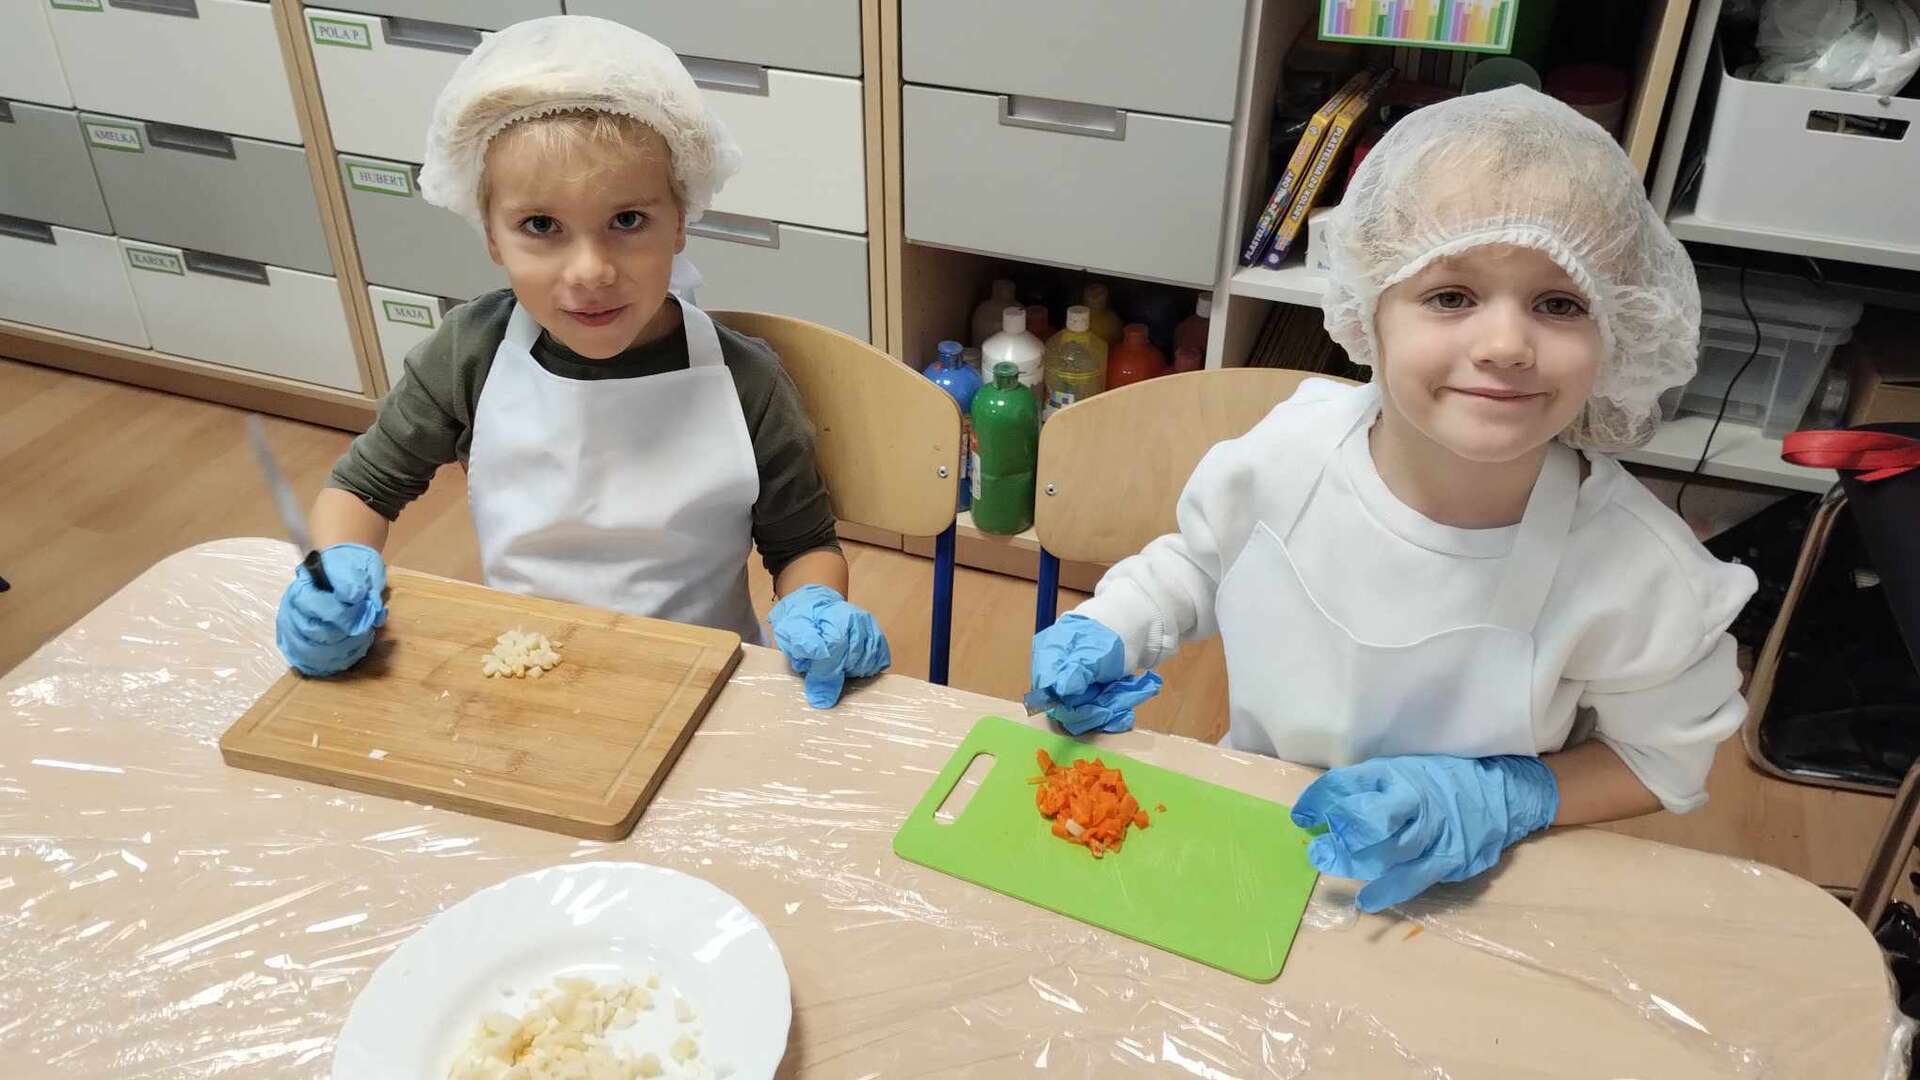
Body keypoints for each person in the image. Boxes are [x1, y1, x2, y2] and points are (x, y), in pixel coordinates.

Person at [1028, 86, 1756, 912]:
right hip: (1256, 833)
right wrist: (1114, 625)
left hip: (1472, 881)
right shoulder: (1290, 457)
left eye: (1560, 303)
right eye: (1451, 296)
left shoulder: (1638, 571)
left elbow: (1660, 758)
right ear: (1368, 309)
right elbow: (1201, 564)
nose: (1506, 344)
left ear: (1617, 325)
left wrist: (1502, 797)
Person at [272, 16, 888, 708]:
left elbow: (802, 545)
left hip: (702, 685)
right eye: (541, 226)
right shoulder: (470, 353)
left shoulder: (747, 382)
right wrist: (335, 572)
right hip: (526, 675)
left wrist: (817, 609)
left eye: (627, 221)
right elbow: (362, 490)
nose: (591, 271)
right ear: (491, 236)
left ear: (680, 221)